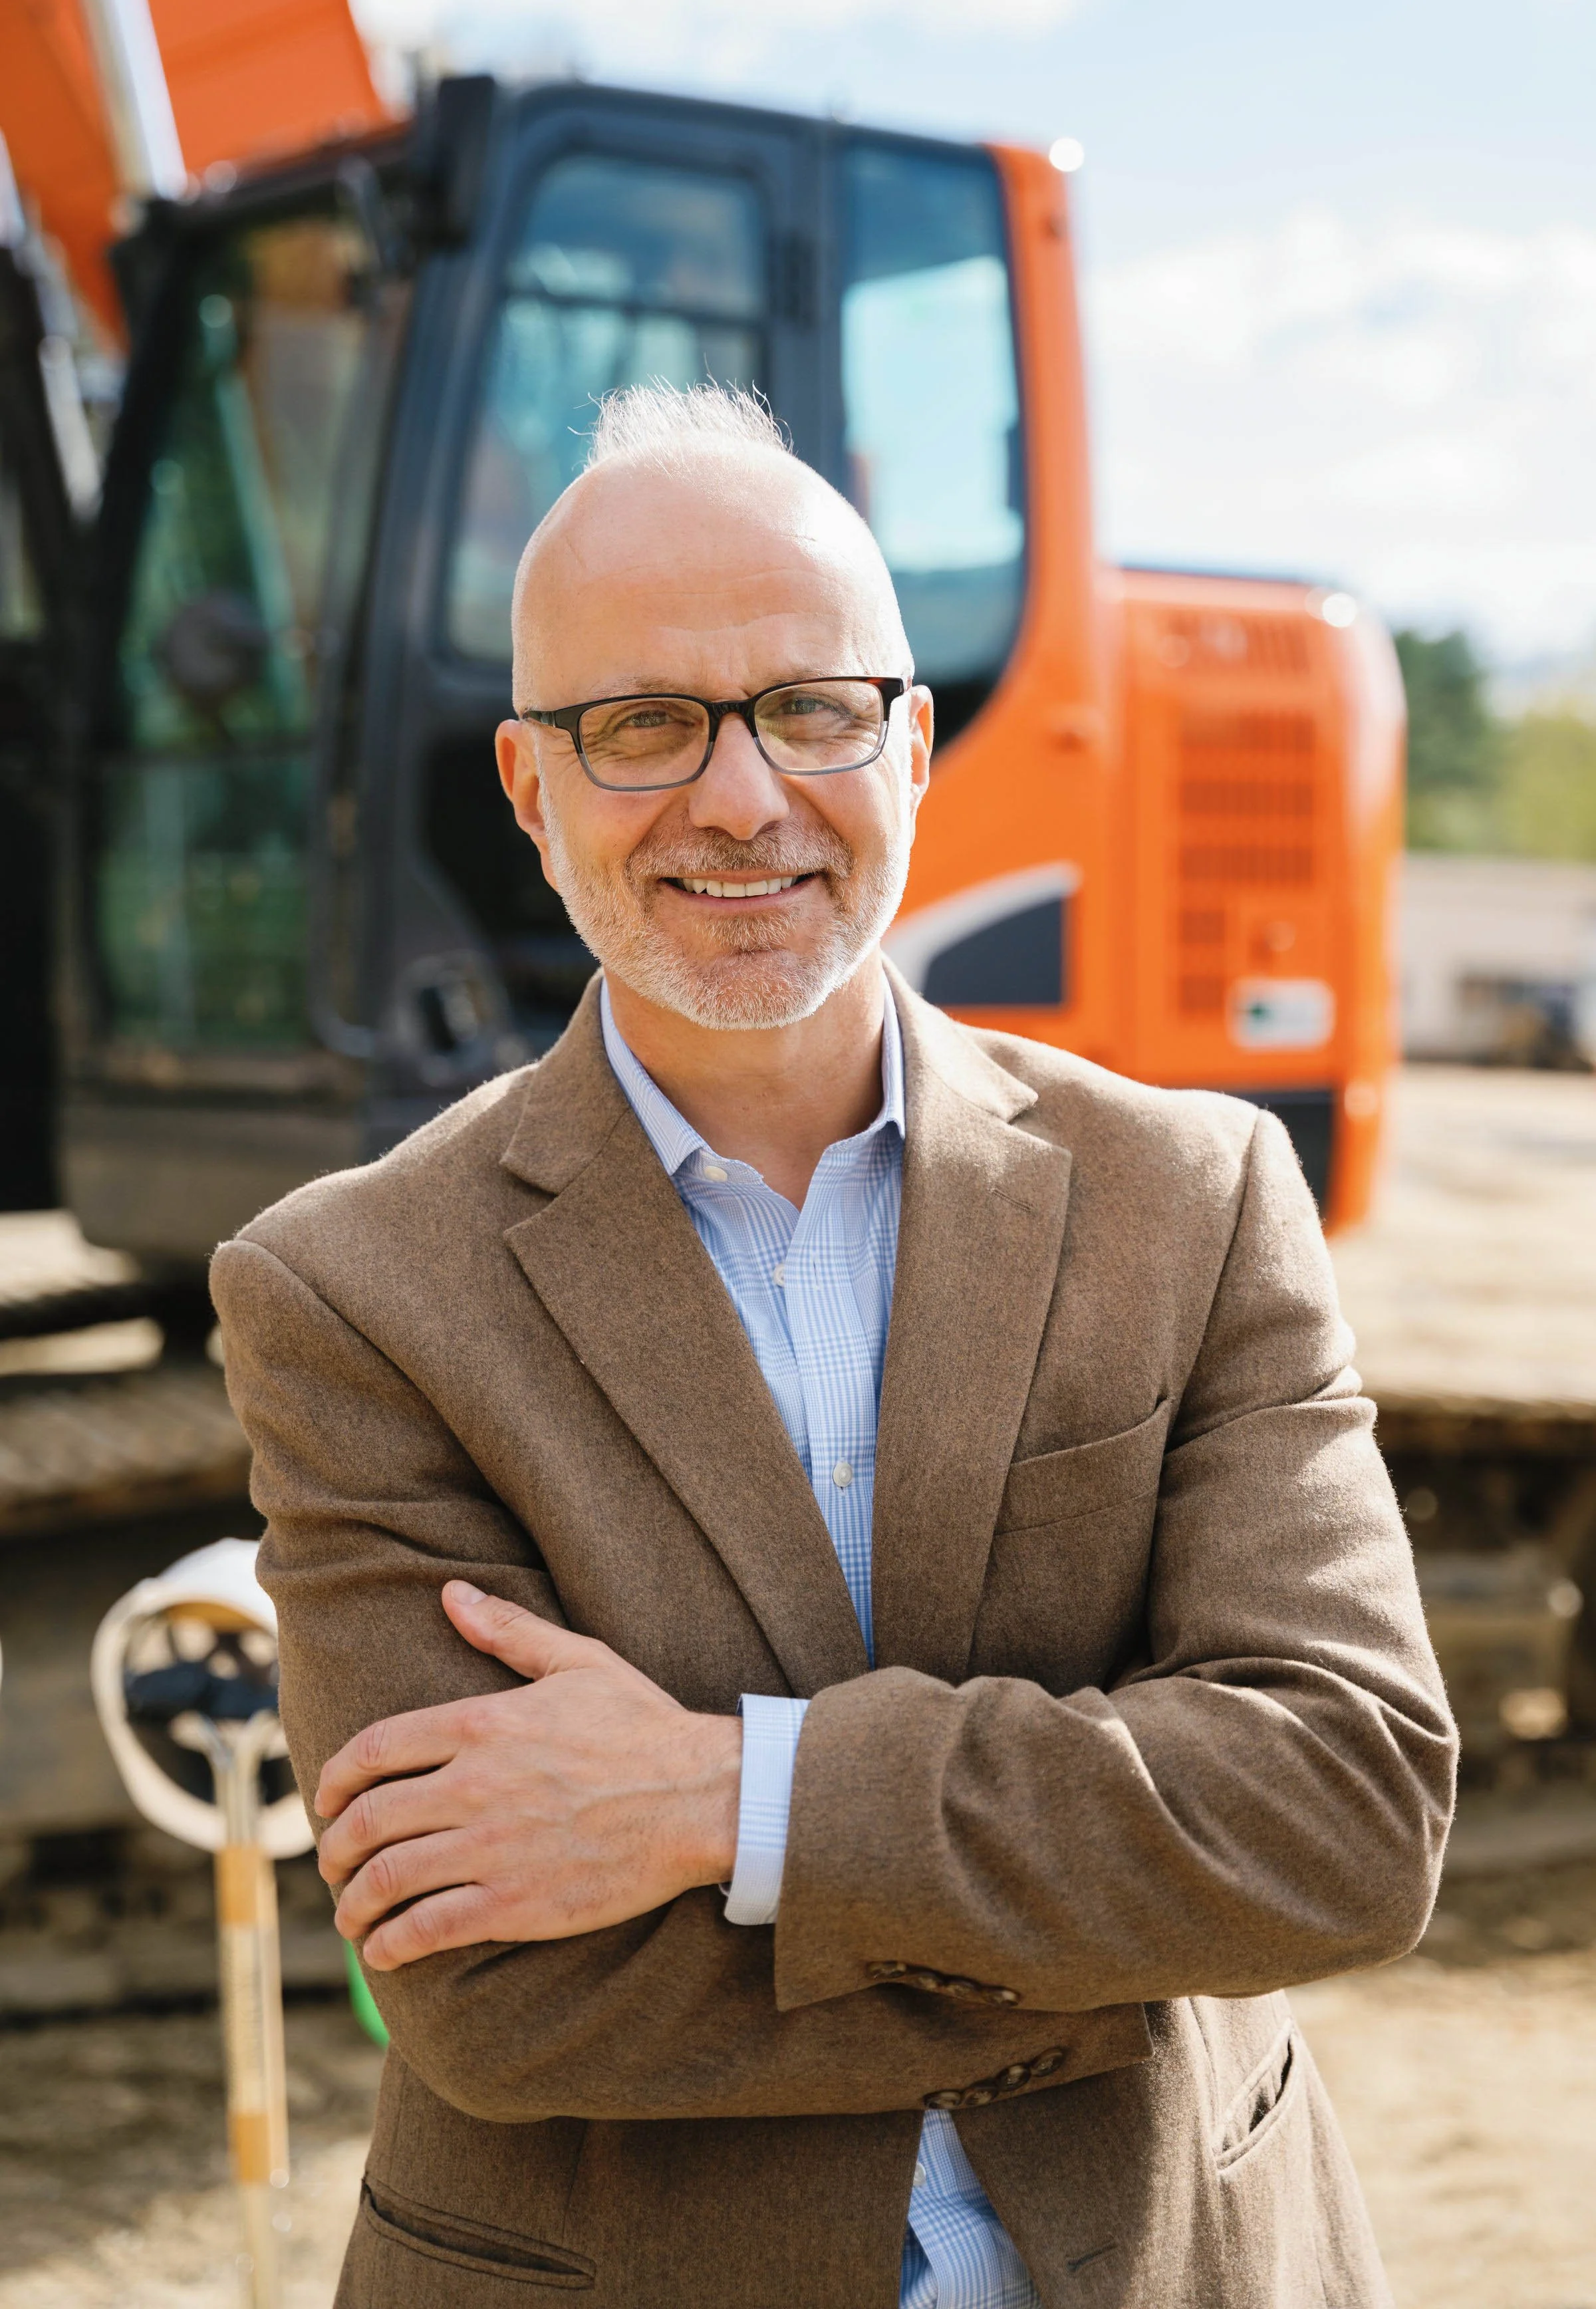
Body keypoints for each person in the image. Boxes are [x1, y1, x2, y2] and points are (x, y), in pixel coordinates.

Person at [211, 382, 1456, 2309]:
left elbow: (1348, 1816)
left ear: (914, 745)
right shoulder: (353, 1292)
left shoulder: (1190, 1196)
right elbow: (494, 1995)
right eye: (642, 726)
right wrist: (1113, 1929)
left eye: (811, 707)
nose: (739, 796)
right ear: (533, 794)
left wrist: (733, 1803)